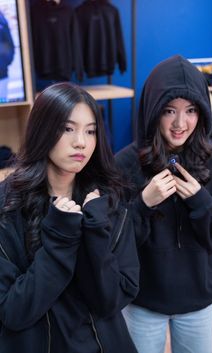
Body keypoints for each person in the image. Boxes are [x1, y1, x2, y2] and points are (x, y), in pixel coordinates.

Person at [0, 82, 139, 353]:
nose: (81, 142)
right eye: (67, 128)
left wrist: (96, 231)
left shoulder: (108, 201)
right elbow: (13, 311)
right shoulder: (7, 205)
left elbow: (111, 301)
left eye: (90, 131)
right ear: (42, 129)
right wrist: (60, 240)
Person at [115, 55, 212, 353]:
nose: (181, 124)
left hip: (199, 300)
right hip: (143, 301)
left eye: (191, 110)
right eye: (169, 110)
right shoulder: (125, 164)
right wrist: (142, 203)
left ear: (203, 112)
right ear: (153, 111)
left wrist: (201, 201)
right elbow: (110, 241)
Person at [0, 10, 14, 100]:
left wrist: (6, 61)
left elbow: (9, 42)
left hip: (2, 71)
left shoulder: (2, 20)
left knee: (2, 100)